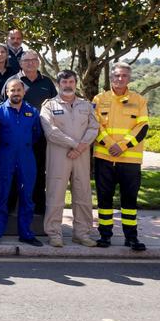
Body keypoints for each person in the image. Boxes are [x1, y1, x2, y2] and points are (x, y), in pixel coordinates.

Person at [93, 62, 149, 251]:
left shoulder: (139, 100)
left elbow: (142, 127)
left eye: (124, 76)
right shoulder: (99, 99)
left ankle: (131, 237)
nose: (120, 79)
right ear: (111, 78)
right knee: (104, 199)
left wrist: (122, 146)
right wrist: (110, 145)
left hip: (130, 160)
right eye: (116, 75)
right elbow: (94, 126)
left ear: (129, 78)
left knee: (129, 200)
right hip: (104, 158)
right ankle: (105, 235)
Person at [40, 70, 99, 248]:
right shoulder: (49, 106)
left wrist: (81, 146)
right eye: (64, 82)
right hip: (59, 155)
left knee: (83, 195)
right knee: (55, 195)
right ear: (58, 84)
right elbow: (50, 131)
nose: (68, 85)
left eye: (71, 82)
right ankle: (54, 233)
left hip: (81, 156)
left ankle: (82, 233)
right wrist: (76, 144)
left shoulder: (85, 105)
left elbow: (94, 127)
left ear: (75, 83)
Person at [0, 78, 43, 246]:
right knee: (0, 195)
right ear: (6, 92)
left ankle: (26, 233)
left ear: (24, 92)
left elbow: (36, 135)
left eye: (19, 90)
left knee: (27, 196)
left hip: (26, 157)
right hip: (4, 157)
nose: (16, 93)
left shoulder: (32, 112)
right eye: (12, 90)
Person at [12, 49, 58, 214]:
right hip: (17, 136)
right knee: (14, 171)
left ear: (38, 62)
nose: (30, 63)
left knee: (39, 171)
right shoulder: (13, 81)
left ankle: (38, 207)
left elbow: (56, 106)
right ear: (20, 64)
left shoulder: (47, 83)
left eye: (33, 60)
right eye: (26, 60)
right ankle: (13, 207)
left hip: (41, 136)